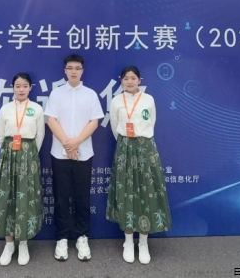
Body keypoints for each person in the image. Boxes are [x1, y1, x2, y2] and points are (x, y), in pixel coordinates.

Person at [106, 65, 171, 265]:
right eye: (126, 78)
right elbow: (115, 127)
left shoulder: (148, 99)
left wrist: (140, 139)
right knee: (126, 191)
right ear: (121, 81)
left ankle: (143, 242)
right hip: (124, 147)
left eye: (133, 78)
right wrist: (126, 143)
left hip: (146, 148)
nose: (130, 81)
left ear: (139, 80)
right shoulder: (116, 101)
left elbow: (152, 122)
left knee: (146, 191)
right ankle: (127, 241)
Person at [44, 54, 104, 262]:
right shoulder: (56, 94)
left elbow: (94, 122)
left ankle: (81, 237)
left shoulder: (90, 94)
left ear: (82, 71)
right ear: (65, 70)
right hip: (59, 153)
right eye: (70, 68)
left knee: (82, 196)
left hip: (84, 153)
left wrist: (76, 142)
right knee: (60, 196)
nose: (73, 71)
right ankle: (61, 238)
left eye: (77, 68)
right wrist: (67, 144)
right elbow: (51, 120)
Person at [0, 73, 45, 266]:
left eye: (25, 86)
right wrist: (9, 154)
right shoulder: (5, 109)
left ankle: (23, 243)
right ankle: (9, 244)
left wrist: (28, 154)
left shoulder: (36, 109)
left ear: (30, 88)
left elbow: (39, 137)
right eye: (18, 86)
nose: (21, 89)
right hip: (8, 155)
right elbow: (0, 136)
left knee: (25, 196)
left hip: (28, 156)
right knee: (7, 196)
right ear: (12, 88)